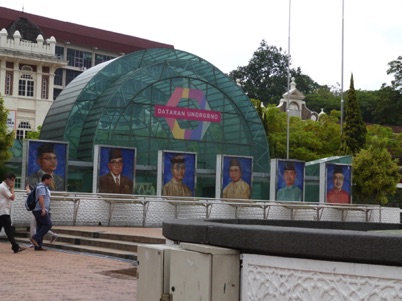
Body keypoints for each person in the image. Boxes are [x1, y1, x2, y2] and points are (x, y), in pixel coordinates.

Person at [0, 172, 26, 253]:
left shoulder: (4, 186)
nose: (13, 182)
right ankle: (15, 247)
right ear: (7, 179)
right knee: (9, 230)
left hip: (3, 211)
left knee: (8, 230)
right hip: (3, 211)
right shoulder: (3, 187)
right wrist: (12, 188)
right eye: (12, 180)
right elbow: (12, 197)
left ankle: (15, 246)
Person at [30, 173, 53, 251]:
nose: (50, 182)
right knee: (48, 224)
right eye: (50, 180)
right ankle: (35, 238)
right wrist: (43, 209)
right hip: (40, 209)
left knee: (40, 226)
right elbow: (41, 198)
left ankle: (38, 246)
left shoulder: (41, 187)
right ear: (45, 179)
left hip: (38, 210)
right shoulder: (41, 187)